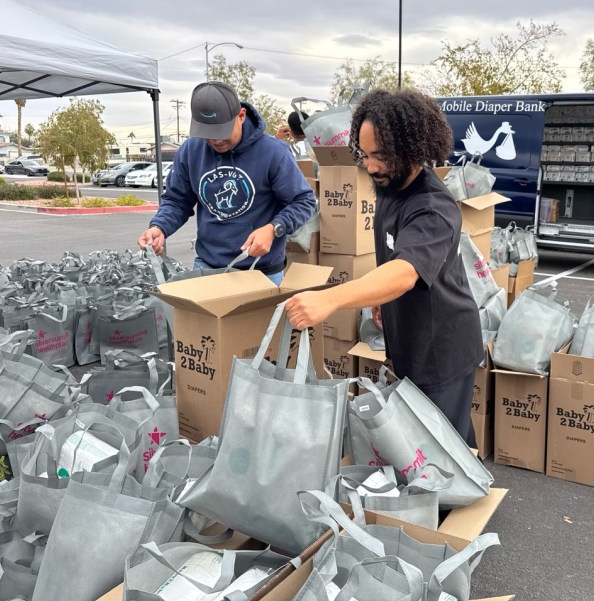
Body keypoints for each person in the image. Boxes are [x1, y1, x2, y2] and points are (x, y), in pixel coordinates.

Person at [284, 89, 483, 445]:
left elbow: (405, 271)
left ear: (414, 148)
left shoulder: (432, 207)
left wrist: (330, 300)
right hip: (410, 338)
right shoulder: (390, 186)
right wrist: (380, 298)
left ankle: (452, 500)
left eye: (382, 156)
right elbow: (395, 254)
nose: (371, 166)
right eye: (365, 154)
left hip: (441, 350)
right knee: (434, 440)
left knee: (441, 451)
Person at [137, 81, 316, 285]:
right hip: (207, 268)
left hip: (262, 272)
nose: (216, 141)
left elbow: (304, 201)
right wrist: (160, 227)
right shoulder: (190, 151)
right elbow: (177, 200)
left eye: (222, 132)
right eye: (208, 135)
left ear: (241, 115)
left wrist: (274, 228)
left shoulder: (274, 152)